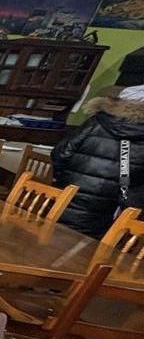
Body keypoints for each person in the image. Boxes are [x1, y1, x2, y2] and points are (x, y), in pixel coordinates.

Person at [52, 85, 144, 237]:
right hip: (109, 210)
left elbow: (61, 153)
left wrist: (62, 180)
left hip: (67, 196)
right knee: (86, 251)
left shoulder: (97, 121)